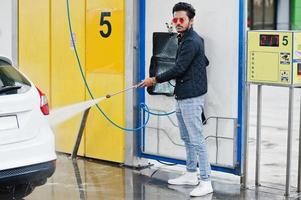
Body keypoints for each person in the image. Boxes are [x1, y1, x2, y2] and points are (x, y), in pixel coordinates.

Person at [139, 2, 213, 197]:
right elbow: (204, 61)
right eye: (175, 19)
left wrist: (153, 80)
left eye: (182, 19)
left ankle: (206, 181)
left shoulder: (191, 41)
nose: (178, 22)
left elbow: (179, 68)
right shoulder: (185, 38)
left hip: (191, 97)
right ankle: (190, 173)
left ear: (191, 21)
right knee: (187, 137)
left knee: (197, 140)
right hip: (183, 94)